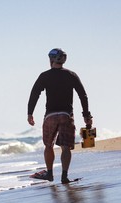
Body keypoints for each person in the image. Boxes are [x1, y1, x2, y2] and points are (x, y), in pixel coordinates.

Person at [27, 48, 93, 183]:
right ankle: (64, 176)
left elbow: (34, 94)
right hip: (66, 115)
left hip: (50, 115)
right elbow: (83, 95)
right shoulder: (71, 75)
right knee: (65, 147)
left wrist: (30, 113)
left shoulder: (44, 76)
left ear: (51, 59)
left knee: (48, 145)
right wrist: (86, 115)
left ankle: (49, 173)